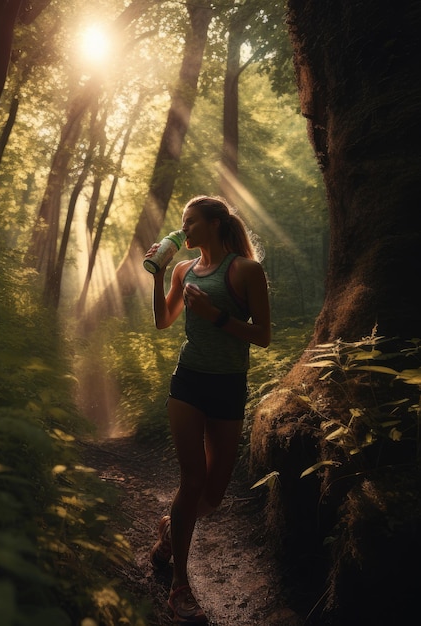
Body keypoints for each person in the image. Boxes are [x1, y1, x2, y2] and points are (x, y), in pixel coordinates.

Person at [145, 195, 271, 624]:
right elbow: (164, 322)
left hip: (229, 387)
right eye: (184, 222)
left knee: (212, 496)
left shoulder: (246, 271)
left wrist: (216, 315)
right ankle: (180, 584)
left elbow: (263, 335)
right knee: (193, 478)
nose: (185, 229)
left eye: (192, 221)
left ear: (216, 223)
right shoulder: (182, 269)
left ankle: (170, 528)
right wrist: (158, 275)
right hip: (189, 382)